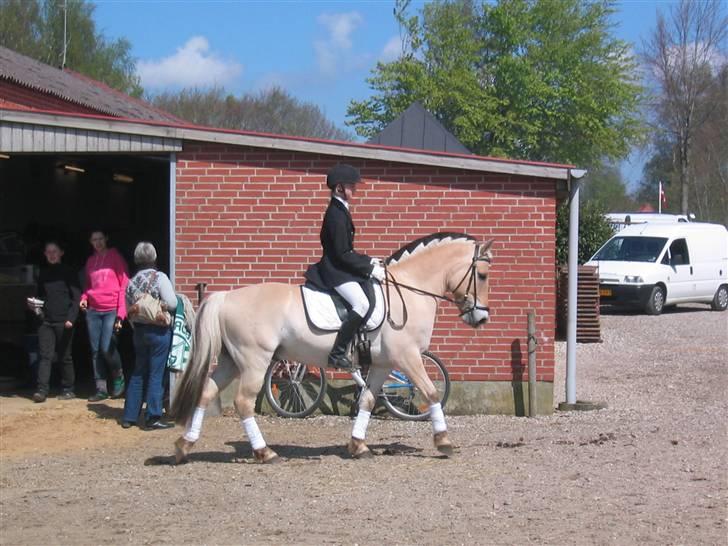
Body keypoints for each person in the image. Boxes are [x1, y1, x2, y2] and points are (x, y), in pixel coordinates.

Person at [305, 164, 385, 370]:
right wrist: (369, 269)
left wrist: (368, 260)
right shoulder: (335, 215)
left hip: (340, 266)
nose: (354, 189)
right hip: (335, 271)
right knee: (362, 305)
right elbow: (342, 254)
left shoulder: (340, 210)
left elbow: (347, 250)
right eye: (351, 186)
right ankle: (337, 353)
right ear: (339, 188)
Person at [122, 242, 177, 430]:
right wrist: (159, 306)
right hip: (158, 330)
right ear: (154, 257)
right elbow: (172, 302)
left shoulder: (130, 282)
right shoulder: (159, 277)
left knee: (138, 372)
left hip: (139, 331)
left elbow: (128, 310)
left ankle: (129, 416)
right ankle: (153, 416)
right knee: (156, 373)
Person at [29, 241, 81, 403]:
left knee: (65, 356)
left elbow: (76, 297)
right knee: (45, 355)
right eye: (48, 252)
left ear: (61, 253)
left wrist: (71, 318)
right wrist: (35, 306)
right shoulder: (43, 274)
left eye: (54, 251)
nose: (51, 255)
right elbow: (40, 296)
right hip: (46, 321)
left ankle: (68, 388)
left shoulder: (69, 272)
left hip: (64, 320)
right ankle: (42, 390)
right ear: (45, 254)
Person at [79, 229, 128, 401]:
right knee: (95, 351)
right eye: (94, 240)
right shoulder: (90, 261)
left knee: (107, 347)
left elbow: (124, 285)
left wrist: (121, 313)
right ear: (90, 242)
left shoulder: (115, 258)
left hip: (111, 309)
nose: (98, 242)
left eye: (100, 238)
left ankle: (118, 375)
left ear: (106, 239)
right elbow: (88, 286)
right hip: (93, 311)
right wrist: (84, 298)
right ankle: (101, 388)